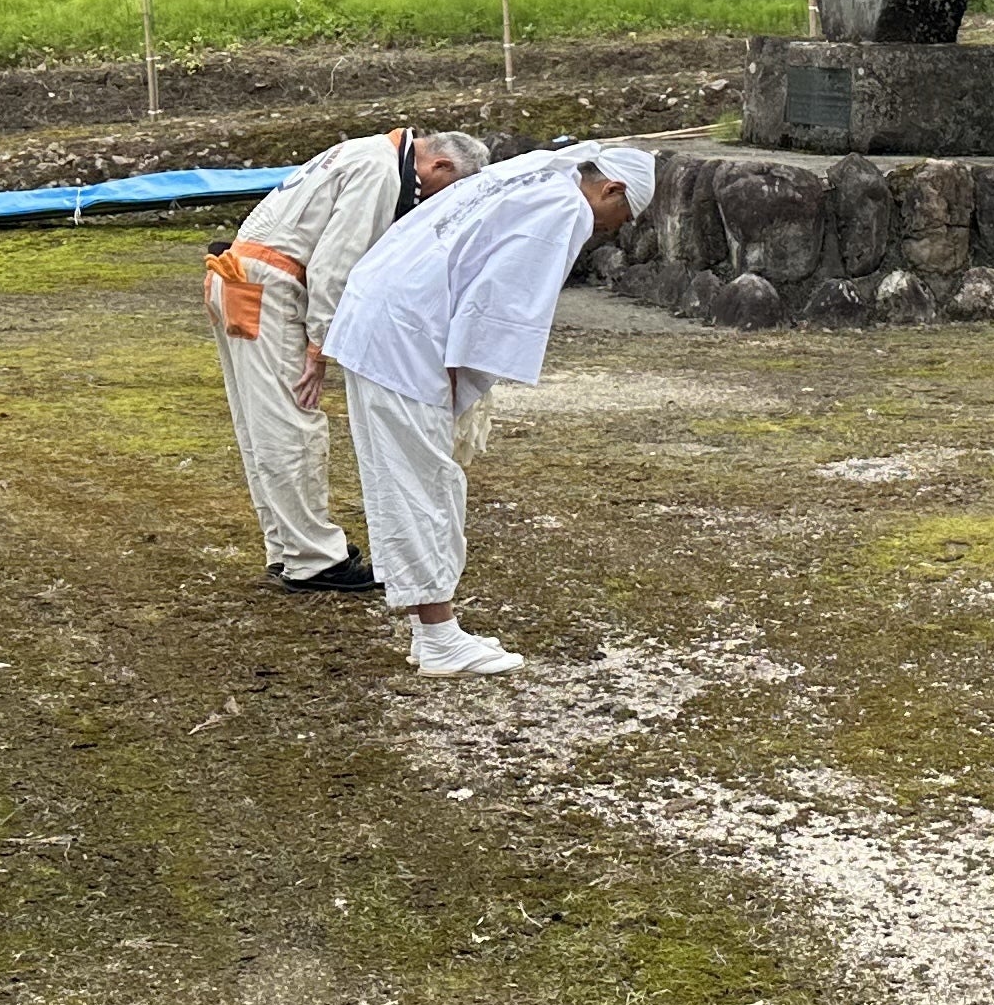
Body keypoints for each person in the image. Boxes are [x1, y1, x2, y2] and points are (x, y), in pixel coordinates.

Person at [327, 144, 655, 675]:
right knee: (425, 482)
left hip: (383, 314)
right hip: (409, 334)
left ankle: (429, 631)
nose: (617, 229)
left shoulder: (532, 176)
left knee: (408, 478)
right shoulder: (563, 206)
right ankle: (439, 637)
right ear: (611, 189)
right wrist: (460, 383)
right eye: (625, 215)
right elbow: (498, 299)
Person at [201, 125, 490, 591]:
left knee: (261, 424)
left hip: (240, 277)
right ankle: (314, 559)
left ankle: (288, 547)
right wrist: (320, 346)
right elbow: (335, 265)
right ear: (439, 165)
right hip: (269, 287)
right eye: (446, 189)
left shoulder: (363, 150)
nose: (436, 202)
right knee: (289, 423)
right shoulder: (381, 172)